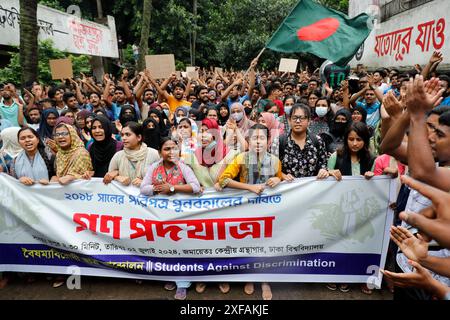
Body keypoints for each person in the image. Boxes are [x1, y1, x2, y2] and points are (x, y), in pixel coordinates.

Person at [217, 124, 284, 300]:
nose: (258, 142)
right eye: (254, 138)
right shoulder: (241, 158)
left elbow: (281, 178)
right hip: (245, 211)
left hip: (268, 212)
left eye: (262, 138)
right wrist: (250, 187)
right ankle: (249, 278)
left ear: (268, 141)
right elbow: (223, 180)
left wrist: (278, 178)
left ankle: (264, 281)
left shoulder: (275, 160)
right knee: (248, 245)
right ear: (248, 141)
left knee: (266, 247)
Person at [140, 137, 201, 300]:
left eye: (174, 148)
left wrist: (173, 188)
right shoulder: (154, 167)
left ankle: (182, 284)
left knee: (182, 249)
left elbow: (195, 186)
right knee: (166, 248)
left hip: (181, 217)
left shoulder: (183, 167)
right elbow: (143, 189)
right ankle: (171, 278)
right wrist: (158, 189)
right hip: (161, 217)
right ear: (160, 152)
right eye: (167, 149)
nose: (171, 152)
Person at [322, 121, 376, 293]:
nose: (354, 143)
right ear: (345, 140)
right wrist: (330, 173)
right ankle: (334, 275)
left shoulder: (371, 160)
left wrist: (373, 178)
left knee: (355, 244)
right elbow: (324, 179)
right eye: (351, 139)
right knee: (338, 243)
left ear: (365, 141)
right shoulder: (335, 156)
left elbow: (378, 188)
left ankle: (348, 276)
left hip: (361, 212)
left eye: (359, 139)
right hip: (339, 209)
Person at [279, 104, 328, 180]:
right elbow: (272, 167)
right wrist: (282, 176)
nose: (298, 121)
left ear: (309, 121)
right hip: (287, 189)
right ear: (289, 120)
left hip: (312, 189)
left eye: (302, 118)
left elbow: (324, 163)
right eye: (294, 118)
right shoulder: (279, 141)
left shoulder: (317, 141)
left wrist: (323, 170)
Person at [105, 122, 159, 187]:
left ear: (139, 137)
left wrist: (145, 182)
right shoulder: (118, 156)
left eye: (127, 135)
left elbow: (162, 179)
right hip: (124, 196)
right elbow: (108, 178)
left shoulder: (153, 154)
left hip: (146, 195)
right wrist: (117, 177)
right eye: (122, 135)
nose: (123, 138)